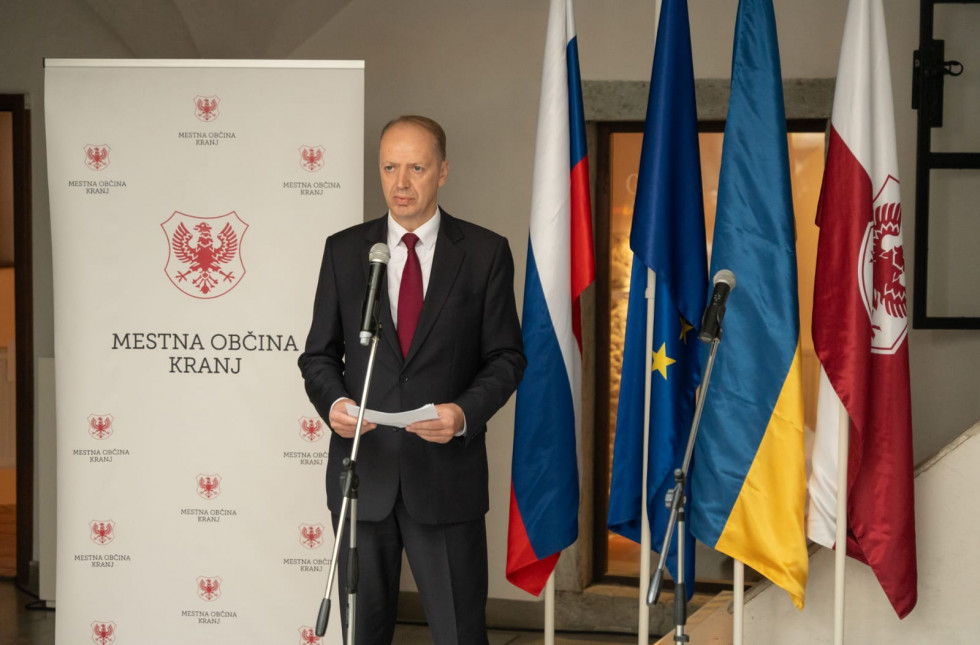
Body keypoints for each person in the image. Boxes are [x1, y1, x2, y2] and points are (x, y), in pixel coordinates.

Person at [298, 115, 526, 644]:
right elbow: (318, 356)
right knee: (365, 635)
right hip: (365, 478)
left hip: (445, 479)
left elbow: (506, 357)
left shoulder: (485, 253)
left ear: (443, 171)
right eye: (390, 167)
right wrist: (333, 404)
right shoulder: (345, 251)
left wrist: (464, 413)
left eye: (417, 167)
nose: (401, 183)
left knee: (459, 633)